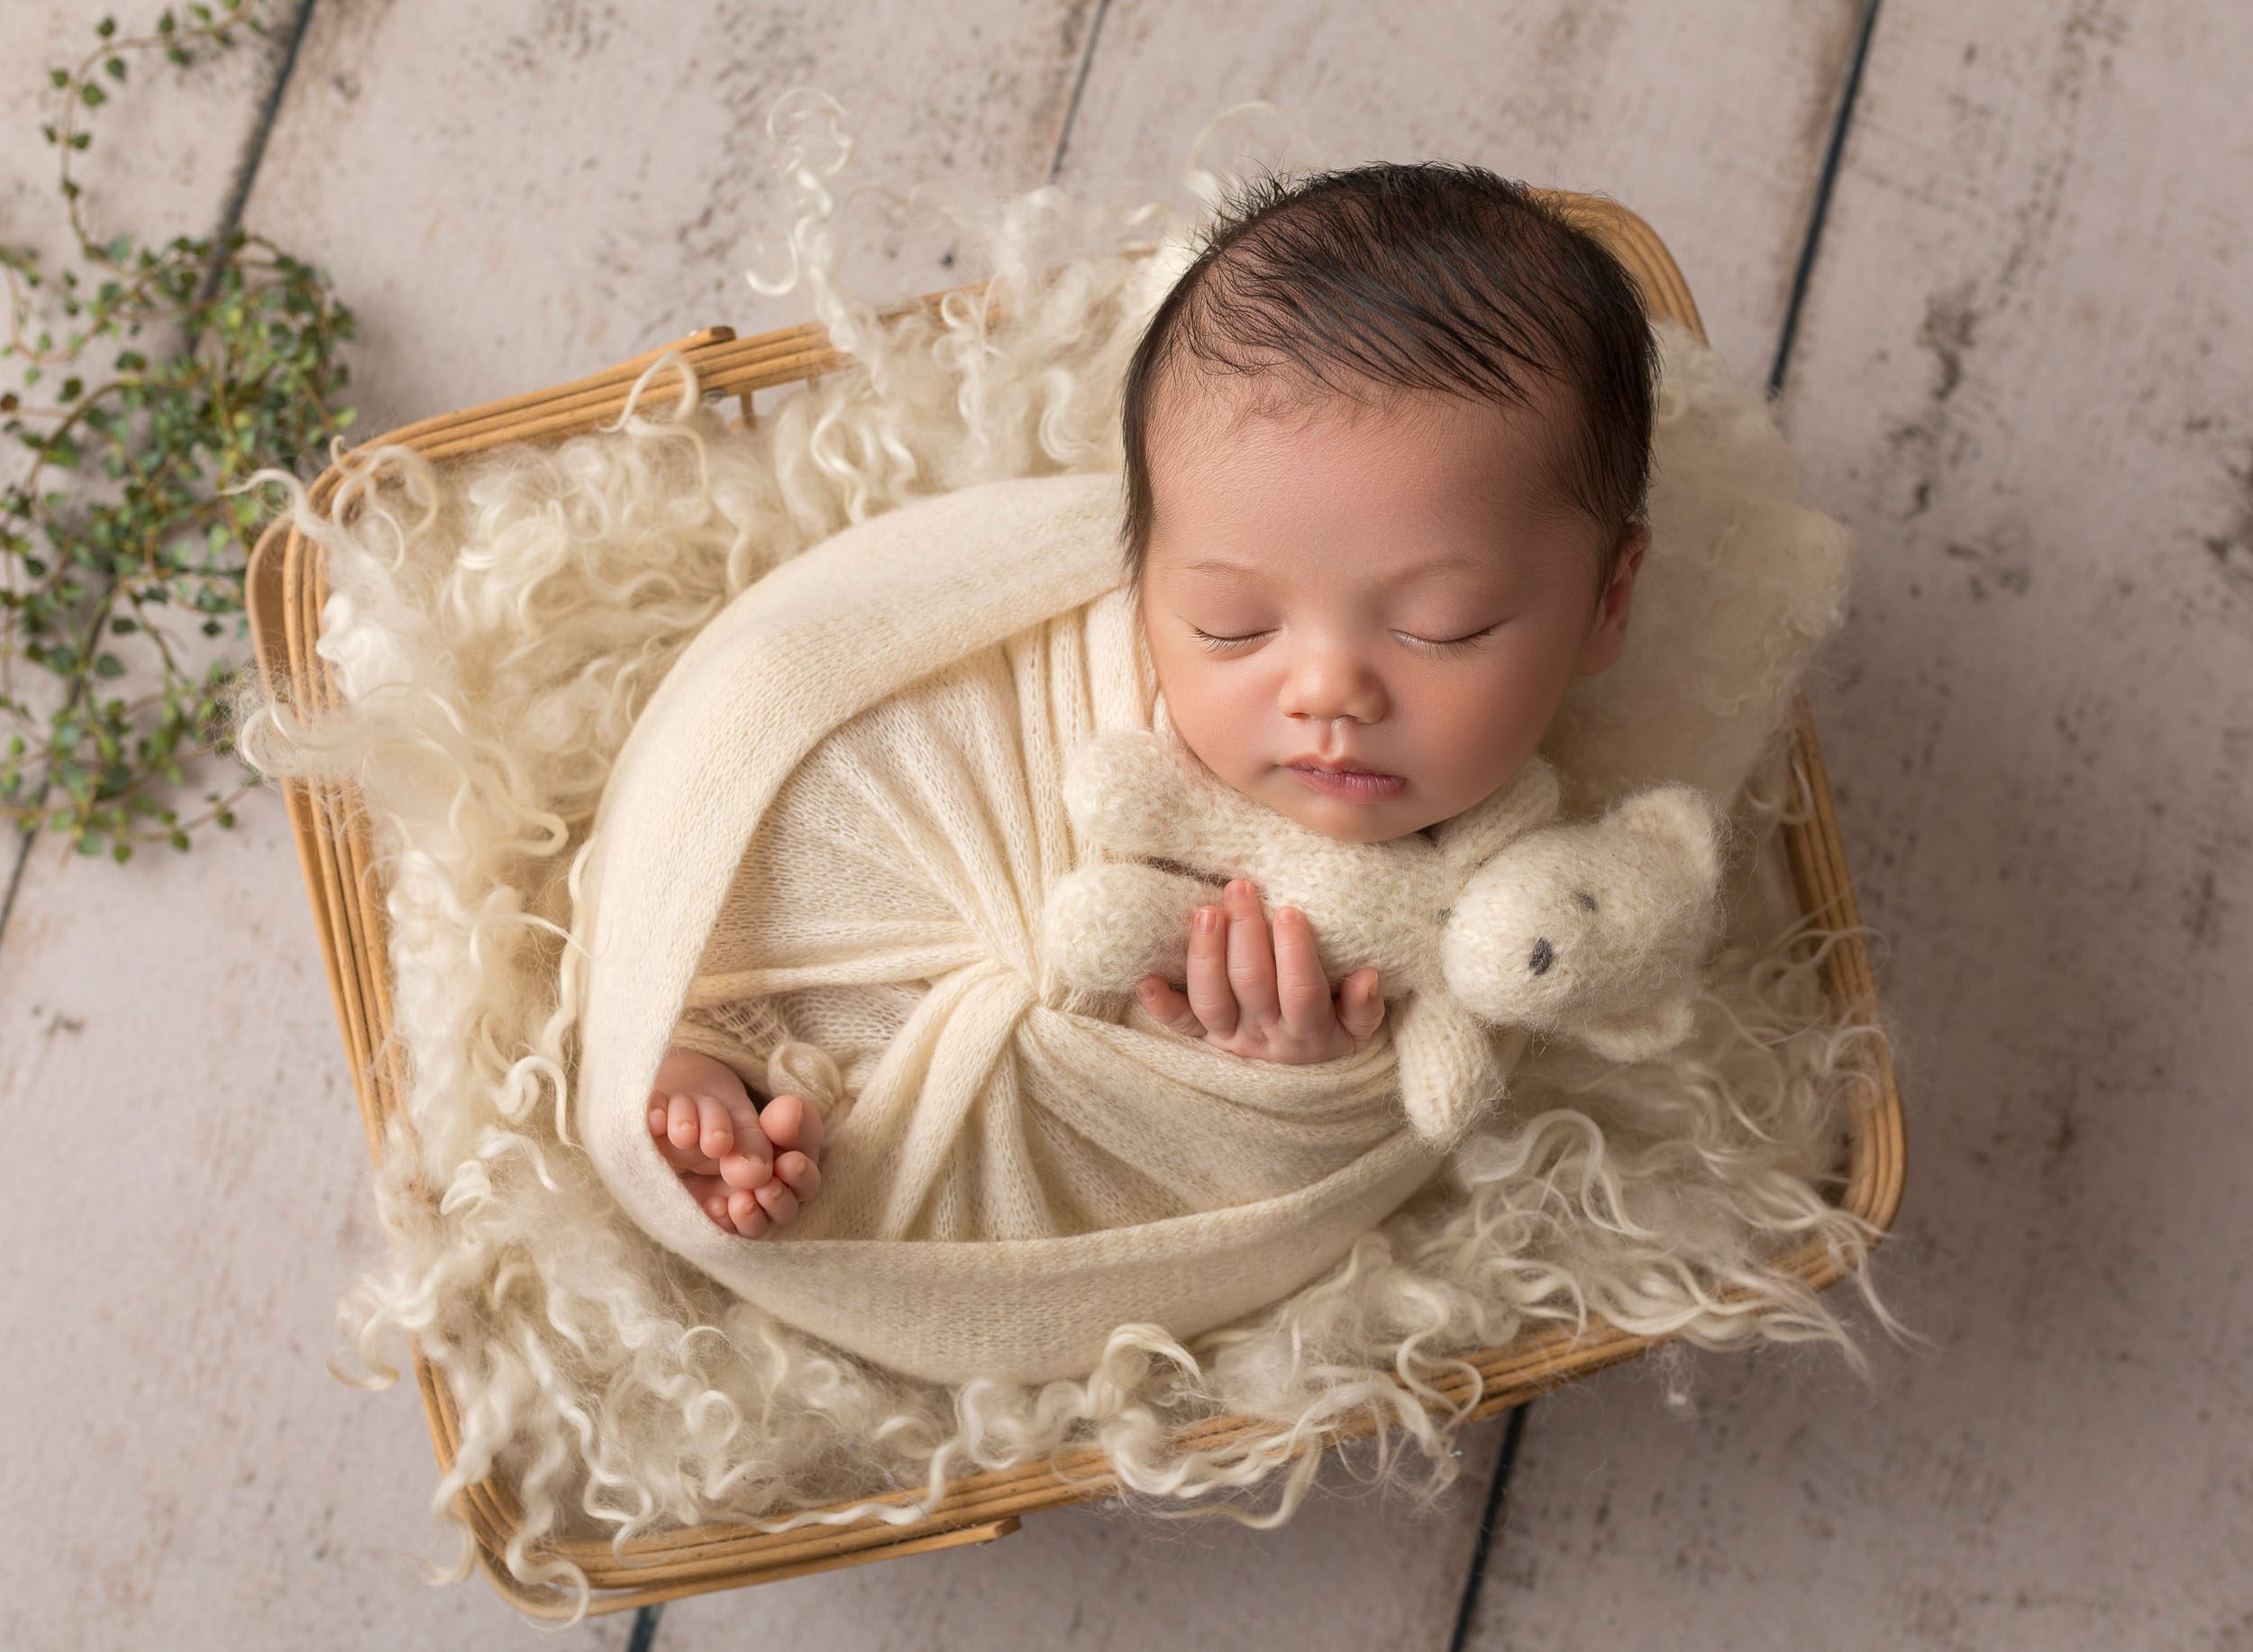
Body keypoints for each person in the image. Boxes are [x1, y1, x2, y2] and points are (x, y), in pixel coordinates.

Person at [645, 160, 1657, 1239]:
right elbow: (815, 686)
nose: (1327, 690)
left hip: (972, 1173)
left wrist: (1288, 1085)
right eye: (1231, 623)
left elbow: (1272, 1200)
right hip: (842, 855)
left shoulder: (1516, 925)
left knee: (845, 1177)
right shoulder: (1064, 672)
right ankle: (697, 1031)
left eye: (1439, 627)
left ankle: (759, 1133)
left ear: (1607, 598)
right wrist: (702, 1008)